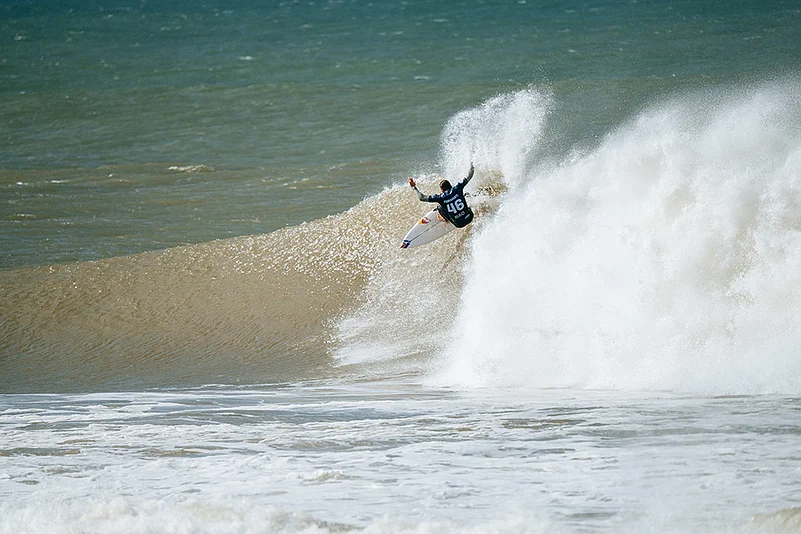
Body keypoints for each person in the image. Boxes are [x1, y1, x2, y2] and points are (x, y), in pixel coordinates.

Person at [408, 163, 475, 228]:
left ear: (442, 190)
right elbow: (470, 175)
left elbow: (421, 198)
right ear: (450, 185)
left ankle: (445, 219)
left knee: (440, 207)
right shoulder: (457, 188)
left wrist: (414, 187)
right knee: (465, 195)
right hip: (470, 216)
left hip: (459, 224)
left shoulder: (440, 197)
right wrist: (472, 162)